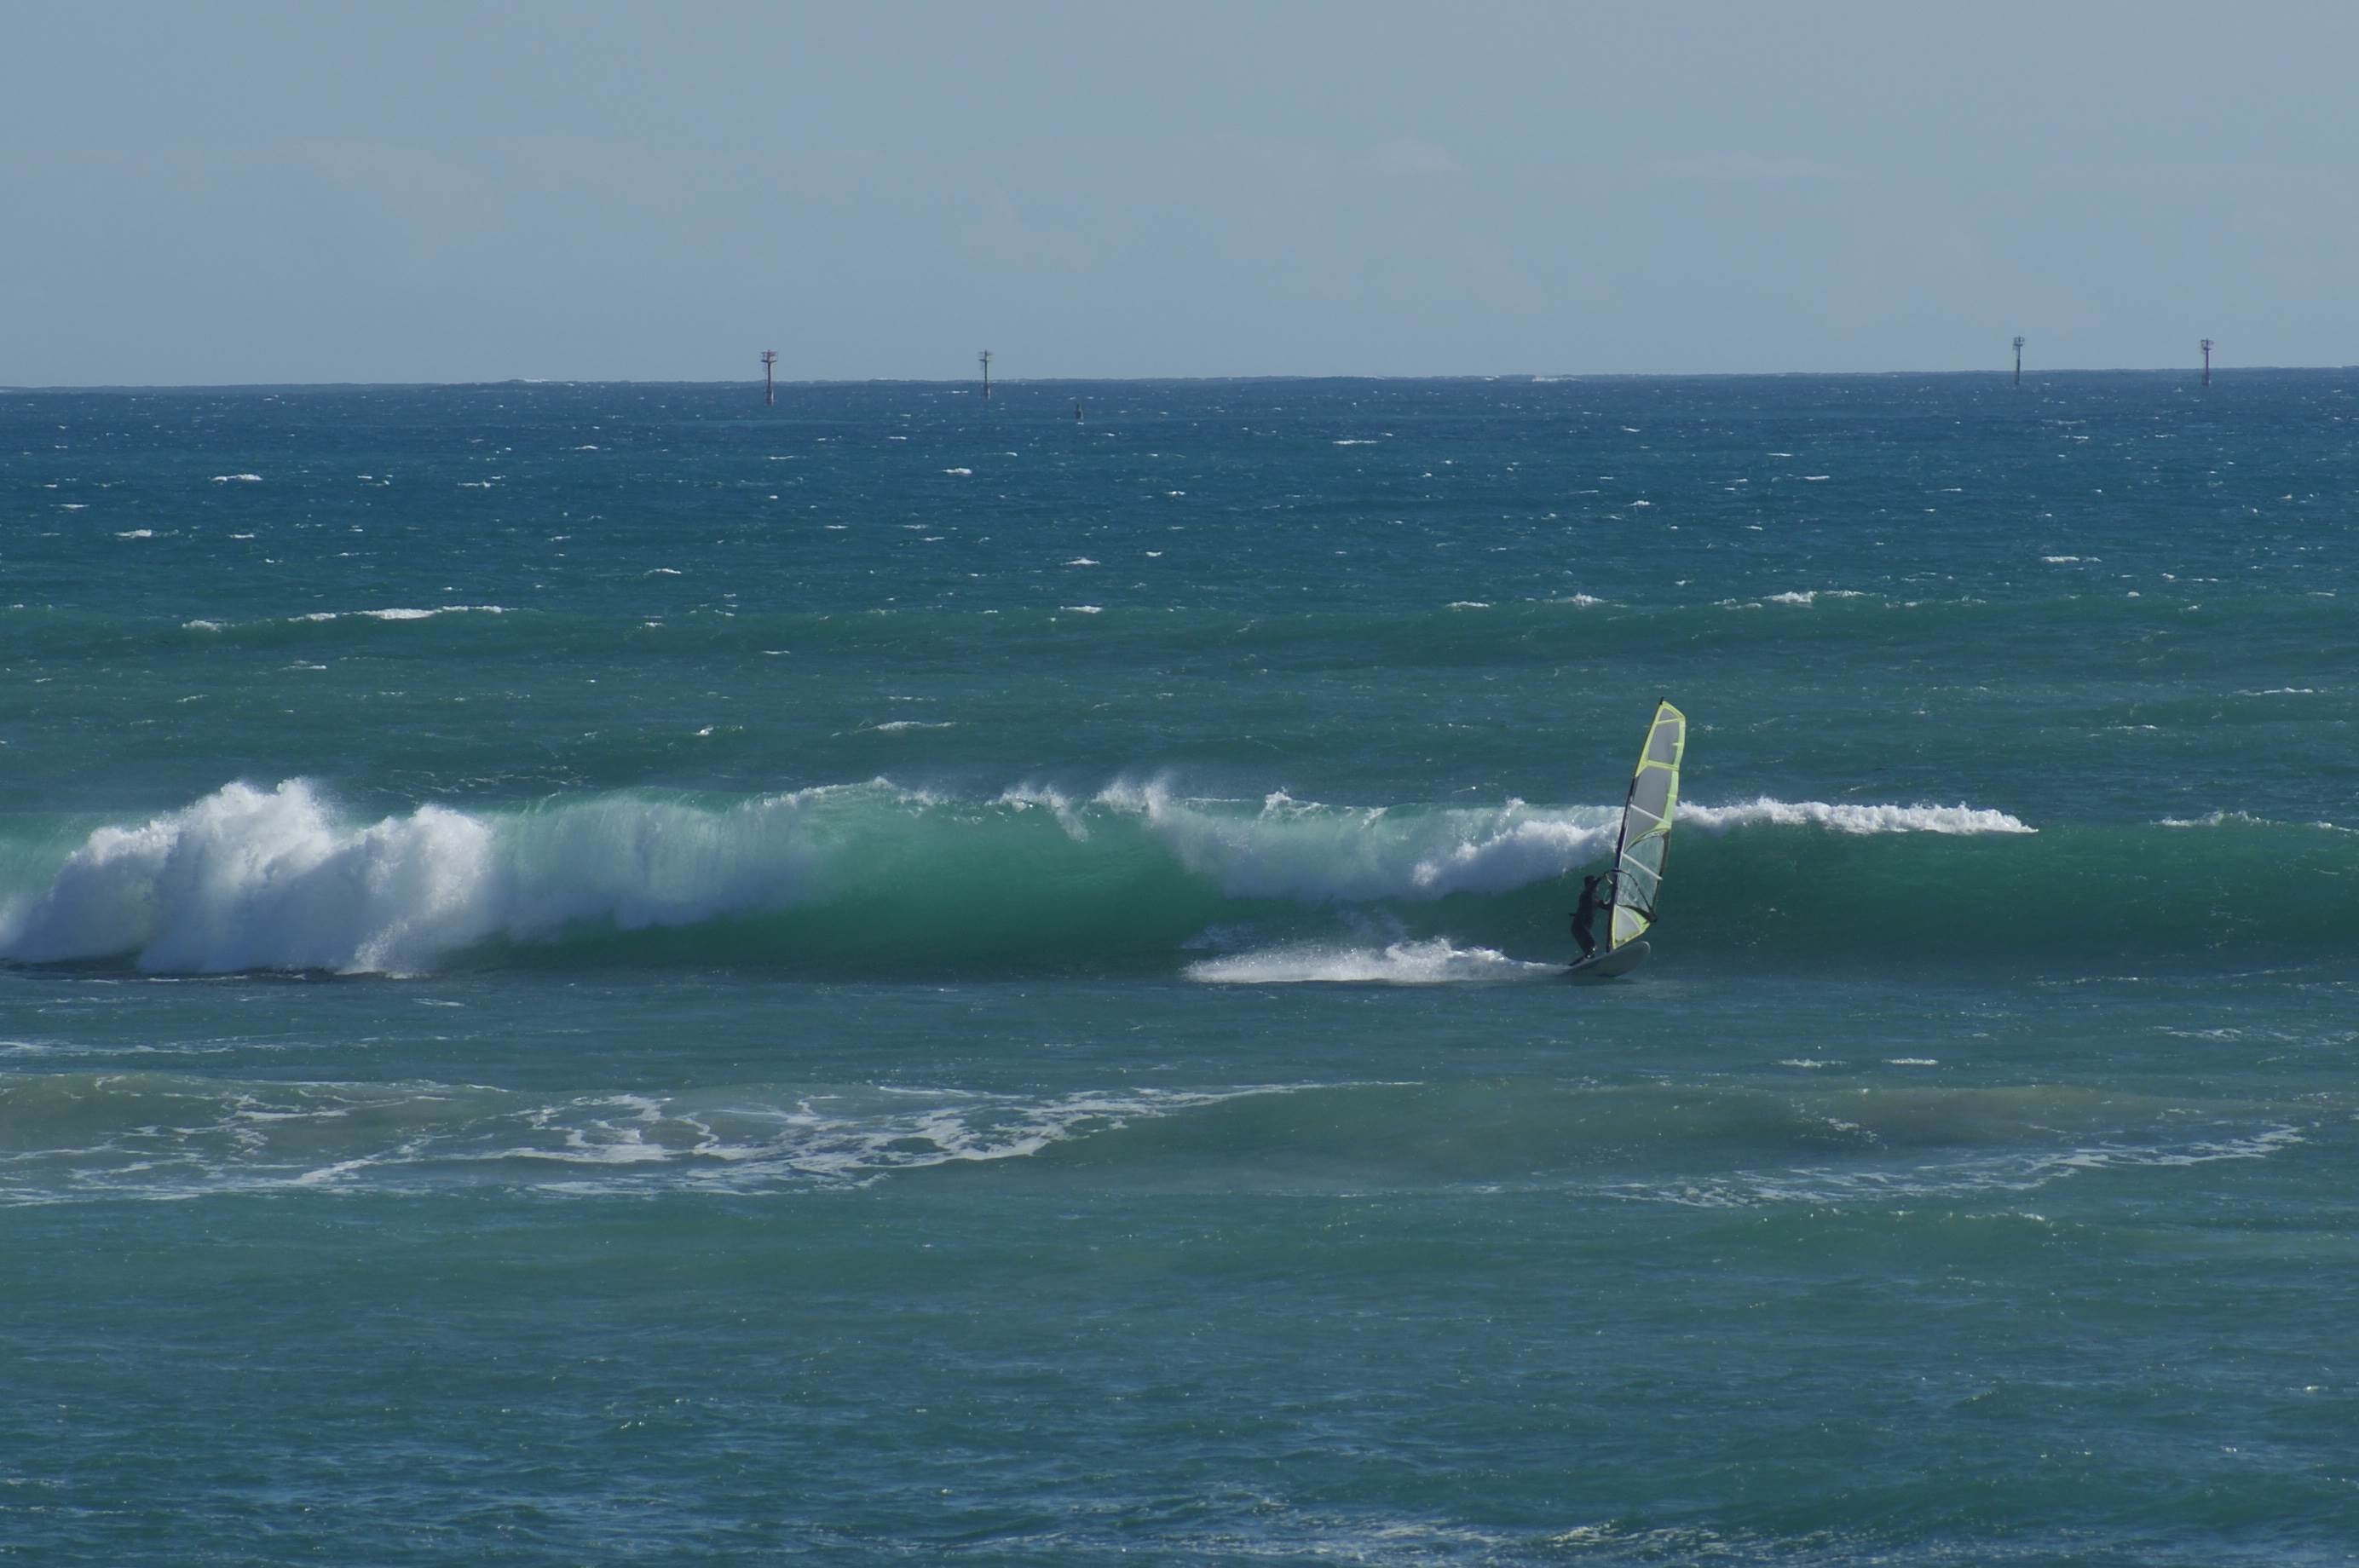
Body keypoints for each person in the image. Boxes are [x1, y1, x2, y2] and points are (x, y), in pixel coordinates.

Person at [1571, 872, 1612, 961]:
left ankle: (1576, 967)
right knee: (1593, 947)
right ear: (1589, 885)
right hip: (1580, 926)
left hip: (1580, 928)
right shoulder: (1586, 895)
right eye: (1594, 884)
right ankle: (1578, 965)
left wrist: (1615, 895)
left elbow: (1608, 907)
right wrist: (1600, 878)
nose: (1598, 887)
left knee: (1590, 953)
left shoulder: (1596, 899)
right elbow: (1591, 887)